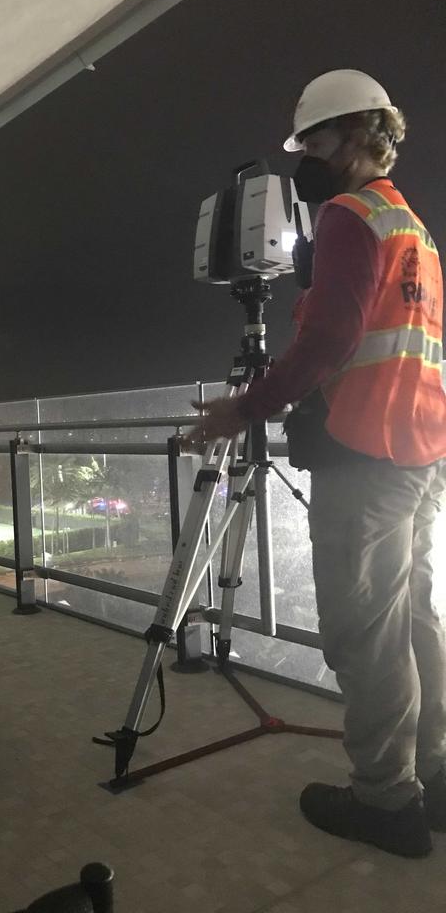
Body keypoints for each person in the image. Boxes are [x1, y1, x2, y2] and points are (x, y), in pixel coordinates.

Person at [188, 70, 446, 858]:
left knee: (365, 634)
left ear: (364, 133)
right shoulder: (411, 225)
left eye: (318, 140)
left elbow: (328, 342)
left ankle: (386, 799)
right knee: (410, 620)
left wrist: (240, 411)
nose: (307, 158)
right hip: (420, 450)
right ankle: (433, 773)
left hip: (366, 454)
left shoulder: (346, 216)